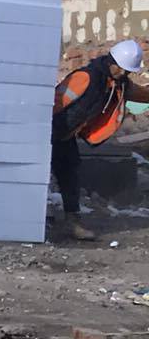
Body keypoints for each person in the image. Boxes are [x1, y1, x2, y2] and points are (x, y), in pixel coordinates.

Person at [51, 39, 149, 241]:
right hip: (50, 132)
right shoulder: (84, 78)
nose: (125, 74)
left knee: (70, 175)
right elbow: (55, 103)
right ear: (112, 62)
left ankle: (72, 222)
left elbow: (141, 94)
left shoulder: (118, 83)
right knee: (37, 175)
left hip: (66, 136)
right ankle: (35, 217)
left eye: (127, 71)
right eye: (123, 69)